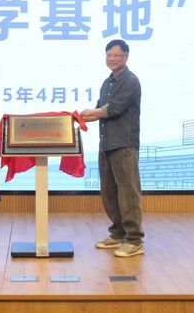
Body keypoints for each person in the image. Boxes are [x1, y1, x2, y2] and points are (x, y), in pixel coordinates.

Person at [81, 39, 145, 257]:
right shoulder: (107, 82)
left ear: (126, 57)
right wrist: (77, 118)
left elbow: (113, 109)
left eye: (117, 55)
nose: (112, 59)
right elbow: (99, 110)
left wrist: (91, 112)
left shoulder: (130, 81)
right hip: (107, 143)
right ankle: (118, 233)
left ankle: (134, 240)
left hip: (124, 144)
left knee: (128, 192)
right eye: (109, 55)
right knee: (109, 191)